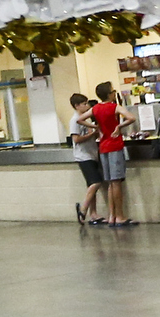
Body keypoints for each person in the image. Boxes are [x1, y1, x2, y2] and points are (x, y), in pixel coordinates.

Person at [91, 81, 135, 225]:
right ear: (110, 94)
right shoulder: (115, 107)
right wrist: (119, 126)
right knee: (117, 182)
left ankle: (111, 216)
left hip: (103, 146)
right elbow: (131, 117)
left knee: (110, 182)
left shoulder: (96, 109)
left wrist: (97, 127)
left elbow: (80, 119)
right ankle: (120, 215)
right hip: (115, 145)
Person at [69, 92, 104, 223]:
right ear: (77, 106)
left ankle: (93, 213)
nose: (87, 106)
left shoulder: (86, 119)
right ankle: (83, 209)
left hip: (92, 154)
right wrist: (92, 134)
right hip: (83, 156)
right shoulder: (75, 121)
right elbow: (76, 139)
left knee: (91, 185)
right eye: (84, 104)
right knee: (96, 182)